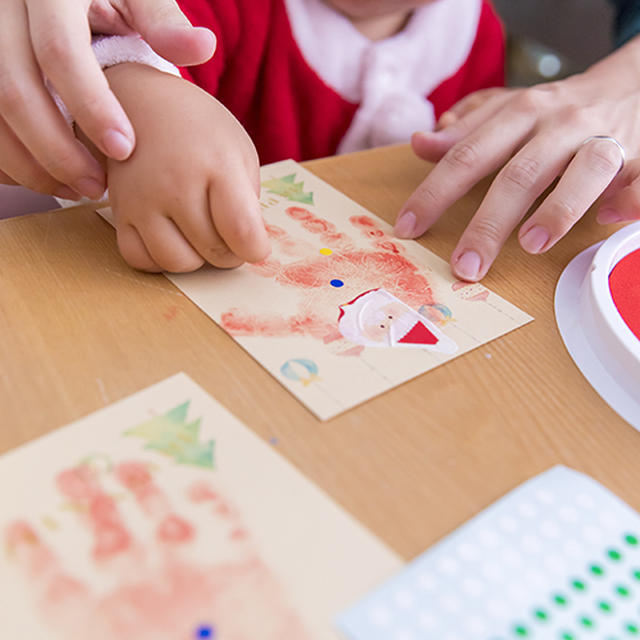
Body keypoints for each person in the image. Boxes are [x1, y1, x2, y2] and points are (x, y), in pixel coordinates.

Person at [0, 0, 639, 279]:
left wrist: (485, 125)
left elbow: (436, 161)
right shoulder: (232, 12)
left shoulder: (477, 31)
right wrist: (142, 94)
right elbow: (106, 44)